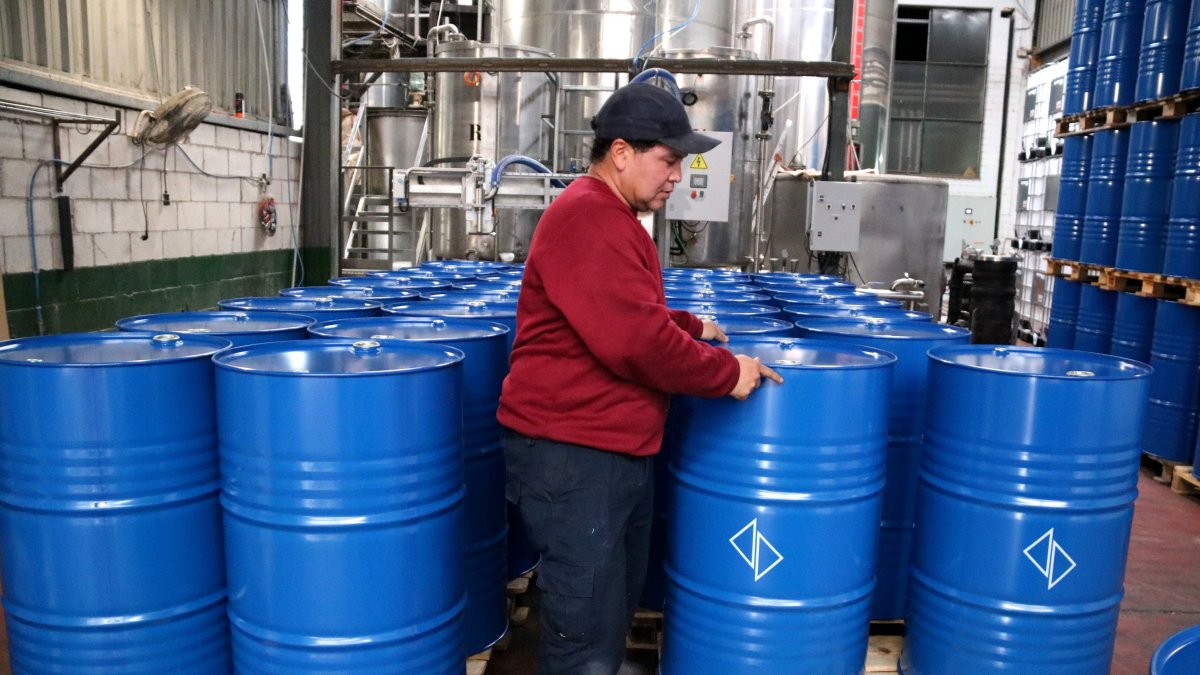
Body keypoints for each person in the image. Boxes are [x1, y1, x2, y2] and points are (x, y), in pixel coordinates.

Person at [497, 82, 783, 675]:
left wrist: (689, 324)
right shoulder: (588, 216)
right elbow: (634, 342)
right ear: (622, 152)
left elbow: (619, 307)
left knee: (607, 616)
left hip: (608, 450)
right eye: (669, 160)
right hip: (574, 458)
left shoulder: (612, 215)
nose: (677, 175)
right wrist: (727, 373)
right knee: (585, 636)